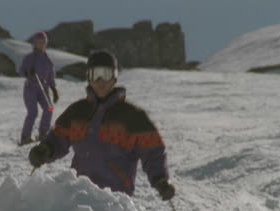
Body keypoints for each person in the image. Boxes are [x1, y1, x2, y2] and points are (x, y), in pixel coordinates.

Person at [28, 50, 175, 199]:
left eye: (106, 74)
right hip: (79, 195)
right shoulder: (77, 112)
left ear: (114, 77)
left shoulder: (132, 117)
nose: (100, 81)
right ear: (88, 78)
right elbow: (58, 138)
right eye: (95, 74)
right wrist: (46, 149)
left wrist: (160, 180)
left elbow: (153, 151)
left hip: (114, 201)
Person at [19, 31, 59, 145]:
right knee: (33, 112)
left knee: (49, 108)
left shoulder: (48, 61)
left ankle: (43, 133)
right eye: (39, 42)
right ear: (35, 43)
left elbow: (51, 77)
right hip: (31, 87)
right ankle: (25, 137)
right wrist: (28, 72)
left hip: (43, 89)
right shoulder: (30, 58)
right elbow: (21, 70)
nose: (41, 44)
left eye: (43, 42)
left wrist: (54, 90)